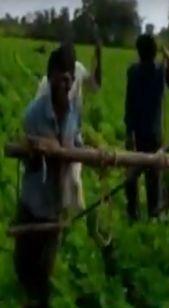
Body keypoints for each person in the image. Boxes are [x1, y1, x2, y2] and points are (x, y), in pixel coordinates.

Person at [14, 46, 82, 308]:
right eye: (63, 78)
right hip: (34, 203)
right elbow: (37, 157)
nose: (67, 84)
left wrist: (88, 153)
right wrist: (51, 151)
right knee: (25, 269)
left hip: (55, 206)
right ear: (51, 76)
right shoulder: (34, 114)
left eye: (71, 79)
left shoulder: (73, 111)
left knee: (43, 276)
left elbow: (75, 141)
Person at [124, 34, 169, 220]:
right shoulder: (160, 70)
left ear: (139, 53)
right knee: (153, 177)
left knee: (132, 175)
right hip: (155, 134)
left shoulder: (132, 71)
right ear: (154, 52)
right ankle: (153, 213)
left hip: (136, 133)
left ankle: (133, 212)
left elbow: (129, 104)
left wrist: (127, 133)